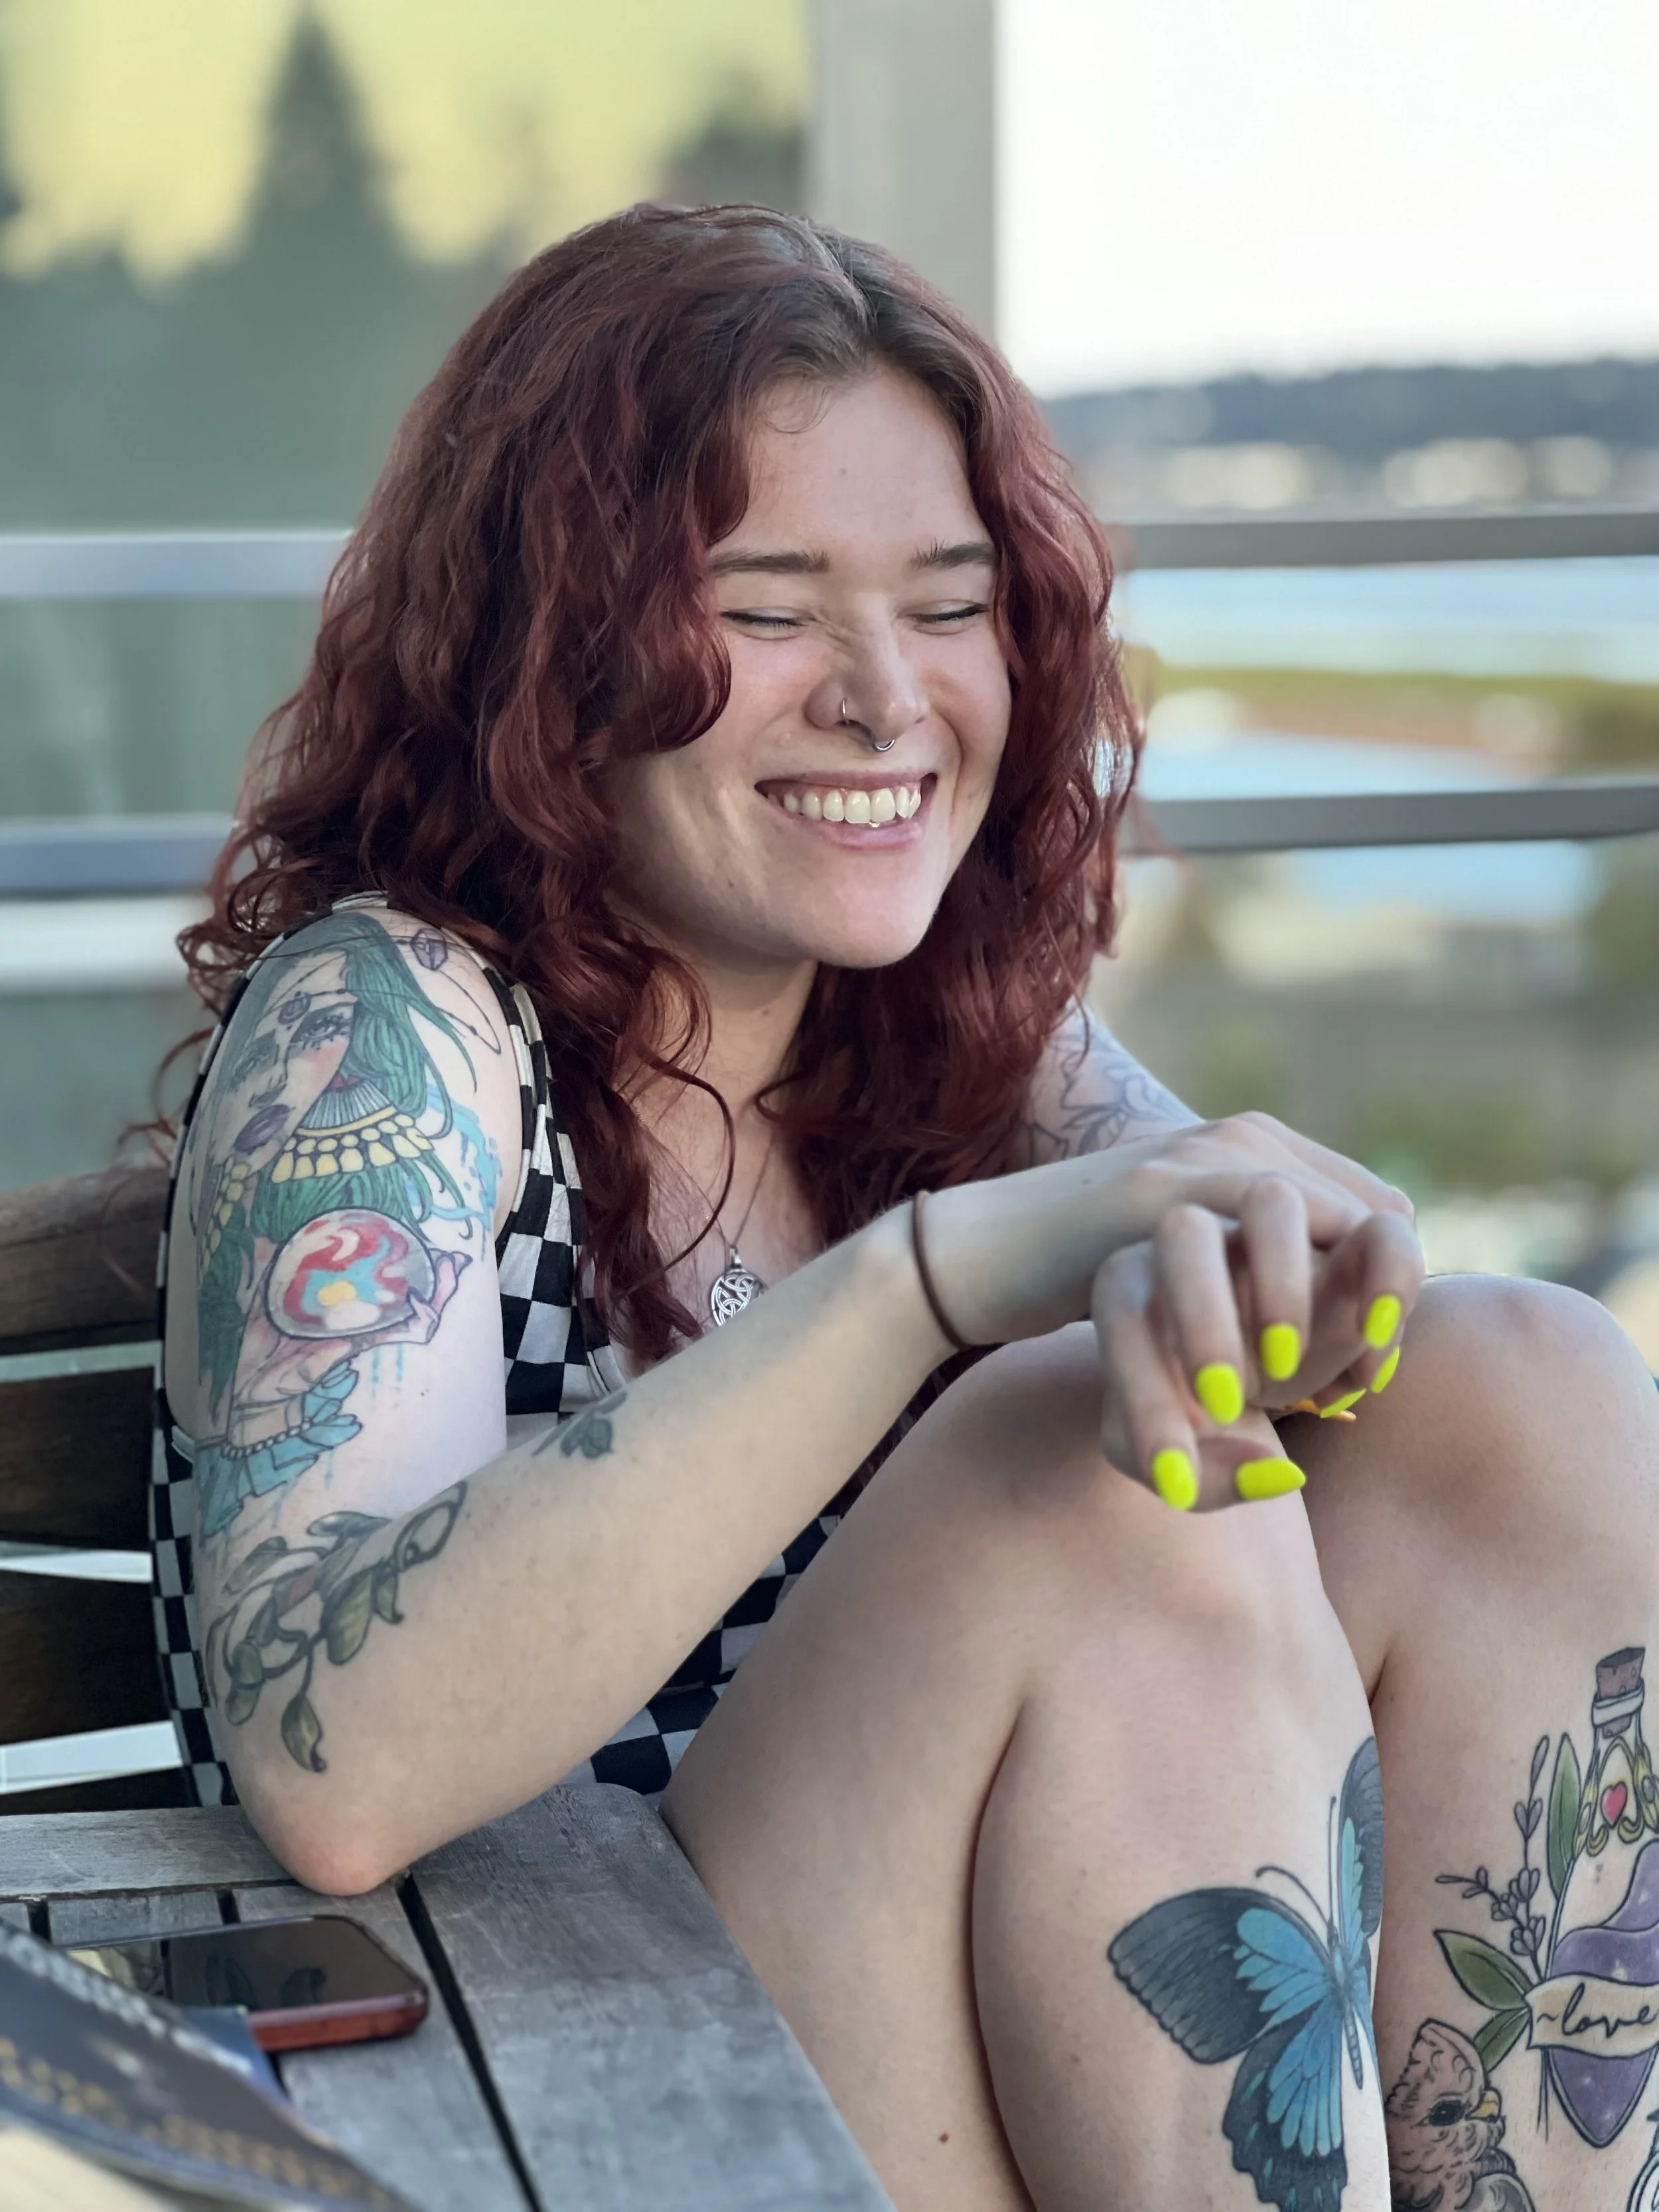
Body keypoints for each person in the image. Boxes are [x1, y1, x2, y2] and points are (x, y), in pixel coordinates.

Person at [150, 204, 1659, 2212]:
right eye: (766, 608)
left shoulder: (944, 1034)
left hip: (880, 2046)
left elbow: (1331, 1379)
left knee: (1515, 1376)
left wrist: (1312, 1265)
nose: (886, 697)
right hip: (544, 2087)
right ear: (550, 643)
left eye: (950, 605)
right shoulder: (390, 1021)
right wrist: (925, 1286)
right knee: (1089, 1462)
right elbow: (336, 1779)